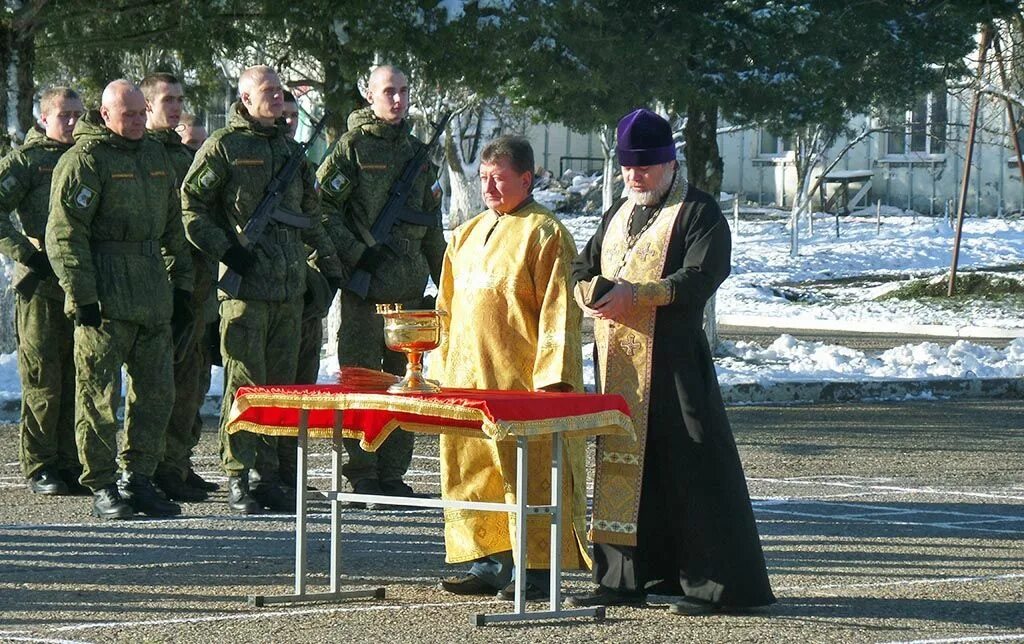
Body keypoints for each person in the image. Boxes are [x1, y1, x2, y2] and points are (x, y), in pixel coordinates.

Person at [565, 109, 775, 614]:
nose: (635, 178)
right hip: (619, 366)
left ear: (670, 162)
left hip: (676, 364)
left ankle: (714, 585)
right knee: (621, 470)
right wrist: (588, 290)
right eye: (627, 169)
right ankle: (623, 579)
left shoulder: (699, 212)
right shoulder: (617, 212)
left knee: (691, 465)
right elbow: (583, 264)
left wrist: (638, 295)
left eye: (645, 168)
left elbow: (702, 274)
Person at [181, 65, 346, 514]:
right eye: (267, 91)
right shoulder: (224, 147)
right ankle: (238, 475)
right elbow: (191, 207)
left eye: (281, 91)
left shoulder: (292, 152)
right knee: (245, 385)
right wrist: (227, 251)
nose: (277, 97)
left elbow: (312, 219)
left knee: (282, 389)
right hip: (246, 293)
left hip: (290, 292)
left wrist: (330, 272)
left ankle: (269, 475)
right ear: (246, 98)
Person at [432, 135, 589, 601]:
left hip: (523, 383)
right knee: (474, 469)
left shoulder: (546, 233)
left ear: (526, 177)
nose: (489, 187)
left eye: (498, 178)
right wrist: (438, 366)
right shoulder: (464, 234)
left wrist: (553, 378)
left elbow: (560, 309)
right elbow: (446, 306)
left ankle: (537, 569)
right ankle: (489, 560)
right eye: (483, 178)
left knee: (529, 473)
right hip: (468, 378)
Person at [46, 79, 194, 519]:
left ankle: (139, 478)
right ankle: (103, 485)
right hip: (106, 300)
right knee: (98, 396)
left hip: (152, 297)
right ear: (105, 115)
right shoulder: (84, 161)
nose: (133, 120)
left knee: (155, 395)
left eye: (138, 112)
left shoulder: (154, 157)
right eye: (125, 114)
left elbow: (173, 228)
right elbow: (65, 235)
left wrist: (182, 285)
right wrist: (83, 295)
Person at [316, 64, 445, 504]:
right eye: (388, 91)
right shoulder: (351, 148)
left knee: (406, 384)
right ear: (369, 95)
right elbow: (321, 209)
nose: (397, 99)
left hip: (410, 292)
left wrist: (446, 279)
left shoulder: (418, 153)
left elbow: (432, 225)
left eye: (403, 91)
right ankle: (362, 472)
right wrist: (356, 252)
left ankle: (393, 473)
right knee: (362, 382)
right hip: (366, 292)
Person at [0, 86, 85, 496]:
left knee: (78, 378)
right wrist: (25, 253)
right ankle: (40, 465)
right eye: (64, 115)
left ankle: (70, 462)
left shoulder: (88, 158)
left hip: (81, 284)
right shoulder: (28, 163)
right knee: (43, 380)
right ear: (44, 118)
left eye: (78, 114)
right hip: (41, 288)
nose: (72, 122)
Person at [141, 72, 219, 503]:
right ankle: (156, 467)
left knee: (194, 381)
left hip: (199, 286)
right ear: (149, 105)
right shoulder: (146, 154)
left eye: (179, 100)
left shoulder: (185, 154)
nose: (175, 107)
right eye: (167, 100)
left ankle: (178, 462)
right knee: (163, 383)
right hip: (165, 285)